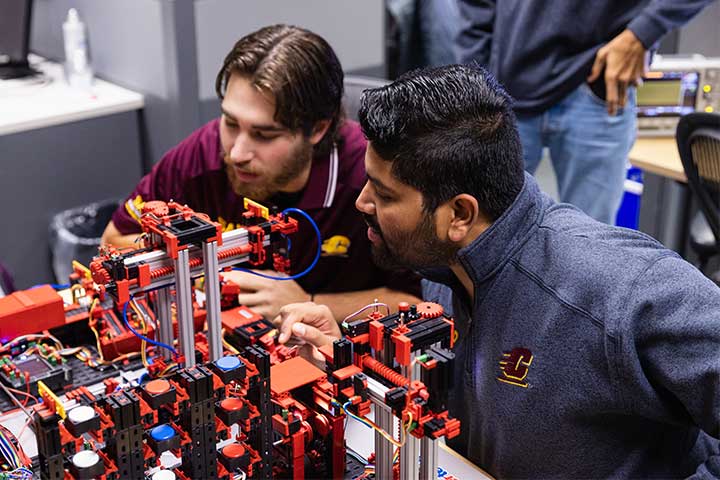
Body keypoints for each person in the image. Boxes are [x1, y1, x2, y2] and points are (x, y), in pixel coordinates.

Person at [272, 64, 720, 478]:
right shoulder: (449, 264)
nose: (362, 203)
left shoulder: (618, 290)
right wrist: (354, 357)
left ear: (460, 214)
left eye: (385, 195)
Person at [101, 24, 421, 320]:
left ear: (318, 130)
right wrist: (204, 271)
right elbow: (114, 241)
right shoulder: (202, 155)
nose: (237, 153)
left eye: (264, 135)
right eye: (230, 122)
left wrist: (310, 303)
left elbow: (420, 303)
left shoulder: (370, 178)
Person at [455, 0, 715, 224]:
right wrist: (476, 81)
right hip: (505, 87)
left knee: (591, 247)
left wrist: (642, 33)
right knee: (479, 232)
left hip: (598, 86)